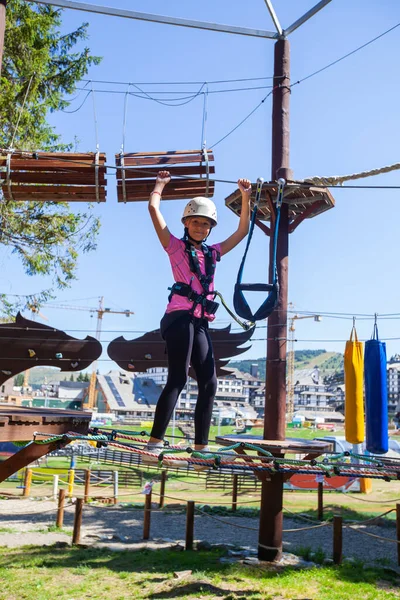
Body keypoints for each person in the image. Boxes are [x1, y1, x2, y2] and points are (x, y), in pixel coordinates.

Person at [144, 170, 252, 465]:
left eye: (206, 224)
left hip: (200, 320)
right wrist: (161, 184)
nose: (201, 227)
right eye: (195, 222)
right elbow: (154, 209)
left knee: (210, 381)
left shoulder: (214, 253)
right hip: (179, 318)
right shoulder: (174, 247)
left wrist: (245, 197)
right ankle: (155, 442)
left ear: (210, 228)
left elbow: (241, 232)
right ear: (186, 223)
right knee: (178, 377)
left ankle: (201, 446)